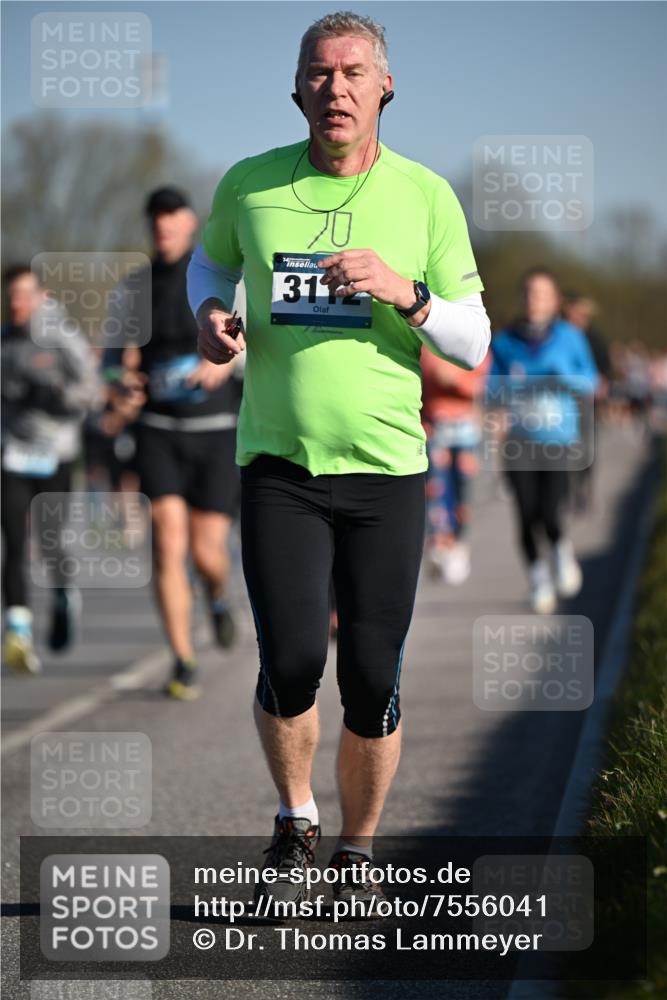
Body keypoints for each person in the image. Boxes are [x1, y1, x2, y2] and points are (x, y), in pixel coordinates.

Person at [187, 11, 490, 909]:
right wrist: (208, 317)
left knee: (368, 675)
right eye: (319, 74)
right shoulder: (249, 186)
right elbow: (208, 269)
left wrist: (408, 292)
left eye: (354, 72)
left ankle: (357, 848)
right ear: (296, 90)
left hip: (388, 472)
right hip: (278, 465)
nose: (336, 88)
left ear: (384, 87)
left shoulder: (427, 196)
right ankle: (295, 817)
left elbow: (473, 343)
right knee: (287, 660)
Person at [113, 187, 244, 700]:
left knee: (207, 552)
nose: (163, 228)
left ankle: (216, 596)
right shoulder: (133, 289)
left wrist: (229, 359)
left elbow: (252, 335)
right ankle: (183, 659)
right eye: (156, 220)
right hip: (158, 431)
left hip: (214, 432)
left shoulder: (218, 278)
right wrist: (122, 383)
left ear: (191, 224)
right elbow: (116, 357)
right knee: (167, 543)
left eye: (173, 219)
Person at [1, 265, 103, 672]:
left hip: (56, 453)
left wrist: (60, 396)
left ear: (42, 297)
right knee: (12, 539)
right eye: (10, 296)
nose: (16, 303)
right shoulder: (5, 341)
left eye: (24, 295)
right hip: (11, 451)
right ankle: (18, 632)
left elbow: (92, 390)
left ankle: (63, 595)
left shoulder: (63, 339)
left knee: (49, 541)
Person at [488, 268, 598, 614]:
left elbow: (592, 381)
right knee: (525, 515)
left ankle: (561, 550)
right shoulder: (506, 341)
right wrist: (512, 387)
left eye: (541, 293)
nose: (534, 299)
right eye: (528, 293)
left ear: (554, 301)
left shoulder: (570, 338)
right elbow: (491, 387)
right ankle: (539, 581)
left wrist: (563, 378)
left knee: (549, 512)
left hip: (558, 440)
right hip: (519, 441)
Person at [421, 348, 489, 584]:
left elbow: (482, 387)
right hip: (434, 427)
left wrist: (456, 382)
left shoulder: (472, 342)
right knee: (435, 488)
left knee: (463, 490)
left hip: (465, 430)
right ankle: (439, 543)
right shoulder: (424, 344)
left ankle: (459, 543)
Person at [563, 293, 610, 511]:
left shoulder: (596, 339)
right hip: (564, 402)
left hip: (587, 402)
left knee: (586, 449)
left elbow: (604, 373)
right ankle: (565, 489)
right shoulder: (560, 336)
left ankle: (584, 489)